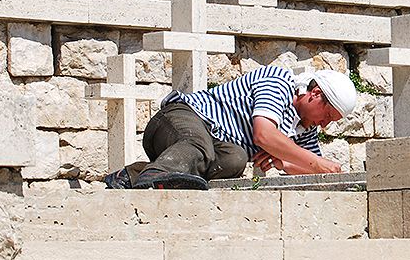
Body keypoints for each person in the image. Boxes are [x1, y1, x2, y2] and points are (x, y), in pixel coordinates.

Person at [104, 65, 357, 189]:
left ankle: (132, 176)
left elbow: (311, 171)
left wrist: (282, 161)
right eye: (327, 115)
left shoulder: (306, 128)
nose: (324, 125)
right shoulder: (280, 82)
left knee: (235, 159)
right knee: (197, 144)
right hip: (181, 118)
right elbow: (264, 134)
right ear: (314, 93)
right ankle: (153, 178)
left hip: (215, 146)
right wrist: (313, 161)